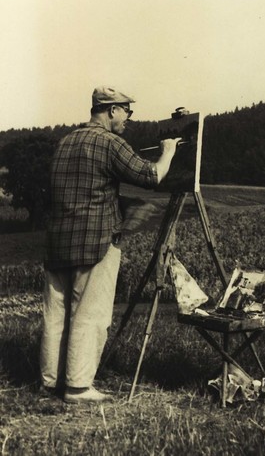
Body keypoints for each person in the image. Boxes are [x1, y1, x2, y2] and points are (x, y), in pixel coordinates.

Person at [40, 86, 180, 403]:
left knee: (56, 315)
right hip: (95, 242)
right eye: (127, 111)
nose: (129, 118)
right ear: (112, 110)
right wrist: (168, 150)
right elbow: (152, 176)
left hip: (57, 243)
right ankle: (78, 387)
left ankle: (50, 383)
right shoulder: (109, 142)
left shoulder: (64, 142)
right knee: (90, 314)